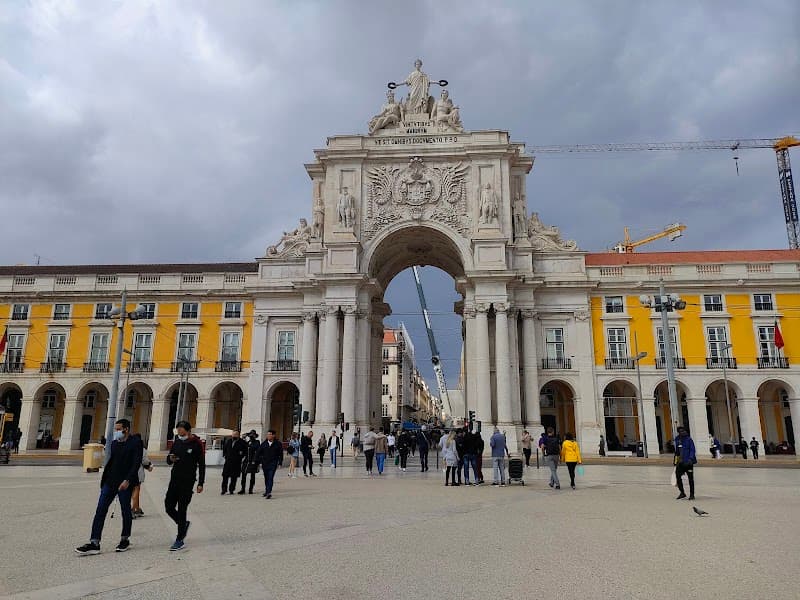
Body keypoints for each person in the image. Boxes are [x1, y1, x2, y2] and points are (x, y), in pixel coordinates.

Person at [75, 419, 142, 555]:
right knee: (100, 510)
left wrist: (128, 480)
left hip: (124, 483)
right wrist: (104, 481)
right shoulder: (114, 444)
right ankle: (94, 542)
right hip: (110, 482)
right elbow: (112, 462)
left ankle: (125, 539)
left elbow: (136, 463)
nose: (116, 432)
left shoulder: (135, 443)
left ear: (126, 429)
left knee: (125, 511)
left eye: (118, 429)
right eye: (115, 429)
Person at [165, 420, 205, 551]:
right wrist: (170, 459)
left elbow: (202, 464)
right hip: (175, 479)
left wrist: (200, 483)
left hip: (188, 481)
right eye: (178, 432)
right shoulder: (177, 441)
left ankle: (179, 539)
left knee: (182, 509)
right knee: (168, 506)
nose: (180, 434)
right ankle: (183, 524)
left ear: (188, 431)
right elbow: (168, 459)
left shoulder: (196, 444)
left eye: (182, 432)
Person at [256, 429, 283, 499]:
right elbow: (258, 453)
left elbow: (281, 454)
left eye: (270, 434)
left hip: (273, 463)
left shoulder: (278, 444)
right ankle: (266, 490)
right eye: (267, 434)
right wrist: (259, 462)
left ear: (273, 435)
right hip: (265, 463)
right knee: (266, 478)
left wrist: (280, 462)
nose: (268, 436)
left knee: (270, 477)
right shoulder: (263, 444)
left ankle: (269, 492)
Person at [131, 435, 153, 518]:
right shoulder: (142, 449)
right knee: (136, 490)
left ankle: (137, 508)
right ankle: (133, 509)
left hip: (127, 472)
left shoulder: (129, 447)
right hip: (137, 472)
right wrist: (149, 466)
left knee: (131, 490)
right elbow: (145, 461)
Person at [674, 426, 697, 500]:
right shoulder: (677, 440)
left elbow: (692, 450)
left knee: (690, 478)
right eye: (681, 431)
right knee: (677, 477)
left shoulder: (689, 439)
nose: (683, 432)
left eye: (684, 431)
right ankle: (682, 493)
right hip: (680, 462)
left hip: (688, 462)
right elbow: (677, 452)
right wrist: (675, 461)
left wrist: (691, 459)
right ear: (679, 432)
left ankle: (692, 495)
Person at [221, 430, 247, 495]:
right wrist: (225, 455)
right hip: (228, 461)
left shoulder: (242, 442)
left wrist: (241, 457)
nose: (234, 435)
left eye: (236, 434)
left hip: (236, 462)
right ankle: (224, 490)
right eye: (233, 434)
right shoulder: (228, 441)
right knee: (225, 476)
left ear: (238, 435)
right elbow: (224, 449)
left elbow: (245, 451)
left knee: (234, 477)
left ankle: (231, 490)